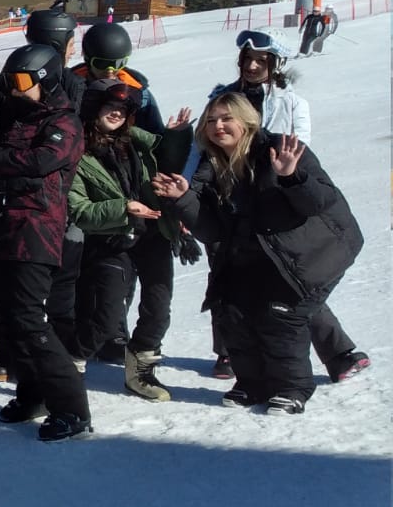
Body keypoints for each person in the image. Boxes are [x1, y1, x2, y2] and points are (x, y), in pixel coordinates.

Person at [154, 93, 364, 415]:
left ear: (247, 121)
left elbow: (318, 202)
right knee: (232, 307)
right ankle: (252, 383)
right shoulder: (212, 166)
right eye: (211, 121)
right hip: (261, 253)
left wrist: (291, 176)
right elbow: (212, 230)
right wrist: (184, 200)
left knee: (282, 312)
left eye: (226, 119)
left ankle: (292, 389)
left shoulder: (280, 150)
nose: (218, 126)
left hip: (315, 250)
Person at [192, 29, 368, 382]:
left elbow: (300, 149)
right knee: (225, 276)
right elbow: (201, 149)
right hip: (228, 199)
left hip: (273, 200)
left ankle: (337, 353)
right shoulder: (222, 99)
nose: (253, 66)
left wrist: (280, 174)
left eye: (261, 61)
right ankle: (228, 353)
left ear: (275, 64)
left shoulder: (291, 102)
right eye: (248, 60)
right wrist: (187, 196)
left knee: (290, 280)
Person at [0, 45, 90, 440]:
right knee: (9, 323)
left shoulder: (65, 121)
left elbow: (42, 161)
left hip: (35, 232)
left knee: (29, 320)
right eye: (9, 81)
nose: (13, 89)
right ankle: (32, 393)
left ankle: (73, 408)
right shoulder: (10, 118)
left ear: (46, 80)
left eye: (22, 81)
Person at [68, 81, 191, 401]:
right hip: (111, 240)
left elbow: (171, 161)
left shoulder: (137, 143)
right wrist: (123, 208)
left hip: (153, 234)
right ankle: (69, 367)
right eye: (110, 107)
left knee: (158, 307)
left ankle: (140, 370)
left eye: (123, 110)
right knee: (105, 316)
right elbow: (80, 210)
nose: (116, 114)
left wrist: (176, 135)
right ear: (95, 108)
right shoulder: (77, 153)